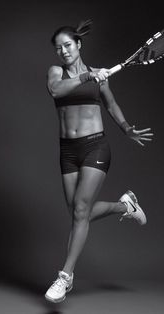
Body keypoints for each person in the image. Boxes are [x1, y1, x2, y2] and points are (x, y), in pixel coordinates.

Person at [45, 19, 153, 303]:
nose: (64, 52)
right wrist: (86, 78)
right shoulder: (57, 72)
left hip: (96, 146)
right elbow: (56, 90)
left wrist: (127, 128)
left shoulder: (98, 74)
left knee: (81, 211)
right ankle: (125, 205)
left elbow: (111, 104)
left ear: (78, 45)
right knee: (78, 212)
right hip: (67, 150)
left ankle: (64, 277)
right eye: (59, 48)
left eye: (68, 45)